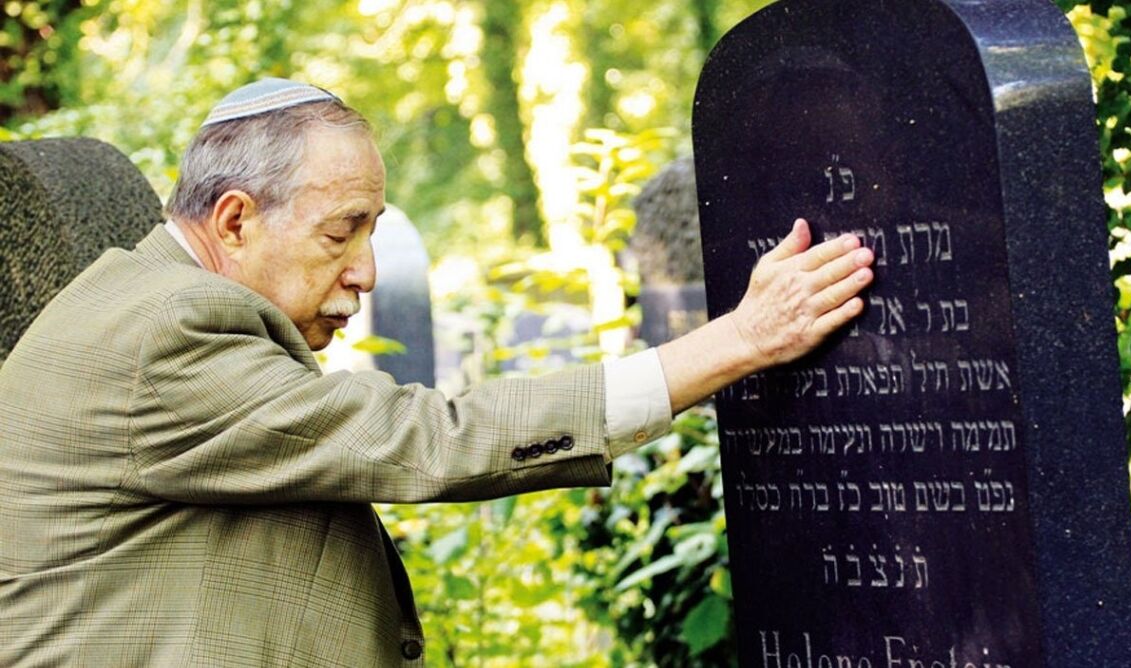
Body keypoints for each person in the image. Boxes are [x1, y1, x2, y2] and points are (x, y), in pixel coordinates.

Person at [0, 79, 874, 666]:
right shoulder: (167, 328)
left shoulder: (146, 301)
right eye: (342, 231)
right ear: (234, 221)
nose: (367, 271)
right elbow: (427, 438)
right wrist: (738, 342)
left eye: (375, 230)